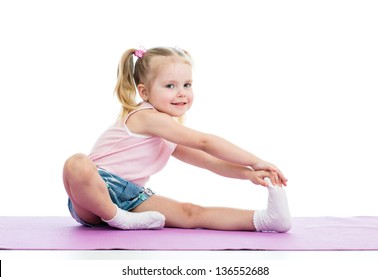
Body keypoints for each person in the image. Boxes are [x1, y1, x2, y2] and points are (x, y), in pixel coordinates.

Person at [62, 46, 292, 233]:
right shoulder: (147, 117)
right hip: (92, 197)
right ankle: (117, 218)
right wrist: (256, 161)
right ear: (144, 92)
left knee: (191, 212)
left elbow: (209, 161)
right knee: (76, 163)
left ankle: (265, 220)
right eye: (170, 86)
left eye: (187, 85)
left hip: (131, 198)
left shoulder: (167, 134)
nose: (181, 92)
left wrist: (249, 175)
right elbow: (205, 142)